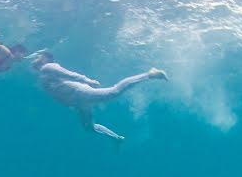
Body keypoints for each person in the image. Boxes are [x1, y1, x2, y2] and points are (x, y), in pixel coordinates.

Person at [30, 50, 169, 141]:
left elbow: (68, 74)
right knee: (89, 129)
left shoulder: (48, 67)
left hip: (80, 94)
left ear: (45, 58)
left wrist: (87, 80)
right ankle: (117, 138)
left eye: (38, 56)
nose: (35, 59)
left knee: (114, 92)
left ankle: (150, 74)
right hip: (77, 103)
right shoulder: (43, 73)